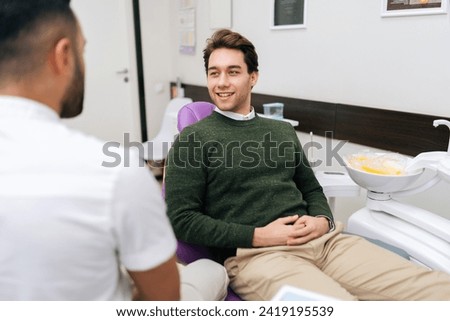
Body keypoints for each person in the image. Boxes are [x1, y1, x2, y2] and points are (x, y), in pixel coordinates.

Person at [165, 28, 450, 300]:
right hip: (259, 257)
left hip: (326, 244)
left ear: (253, 77)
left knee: (436, 289)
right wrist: (259, 235)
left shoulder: (280, 131)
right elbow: (182, 220)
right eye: (214, 73)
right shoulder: (193, 139)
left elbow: (311, 189)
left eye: (233, 72)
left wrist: (321, 220)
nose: (222, 82)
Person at [0, 0, 227, 301]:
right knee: (211, 271)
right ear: (63, 56)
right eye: (82, 50)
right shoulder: (114, 173)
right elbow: (163, 301)